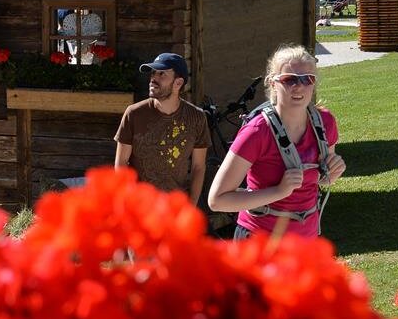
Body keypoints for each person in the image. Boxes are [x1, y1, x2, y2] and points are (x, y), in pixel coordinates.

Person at [209, 45, 344, 240]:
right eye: (289, 79)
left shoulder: (324, 124)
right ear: (273, 83)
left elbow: (319, 179)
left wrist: (332, 174)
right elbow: (217, 200)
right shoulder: (257, 132)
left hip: (306, 241)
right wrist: (279, 191)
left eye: (307, 79)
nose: (299, 86)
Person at [113, 53, 211, 205]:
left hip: (176, 207)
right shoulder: (134, 114)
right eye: (153, 73)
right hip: (140, 206)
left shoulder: (196, 117)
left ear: (178, 83)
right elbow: (121, 163)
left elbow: (198, 167)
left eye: (161, 74)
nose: (153, 78)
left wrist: (191, 205)